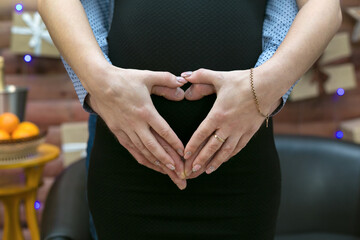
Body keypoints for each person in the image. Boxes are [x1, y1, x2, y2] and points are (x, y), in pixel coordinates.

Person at [38, 0, 341, 239]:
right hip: (127, 169)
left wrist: (263, 87)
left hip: (240, 174)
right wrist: (102, 83)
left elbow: (325, 6)